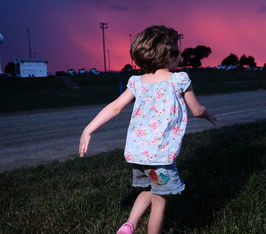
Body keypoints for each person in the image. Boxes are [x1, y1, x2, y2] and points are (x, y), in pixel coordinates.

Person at [78, 25, 216, 234]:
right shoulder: (179, 80)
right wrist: (207, 113)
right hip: (160, 157)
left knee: (150, 189)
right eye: (177, 51)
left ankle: (129, 226)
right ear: (169, 55)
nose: (179, 56)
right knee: (159, 200)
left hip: (138, 155)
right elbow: (196, 110)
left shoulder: (137, 82)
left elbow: (114, 107)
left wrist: (88, 130)